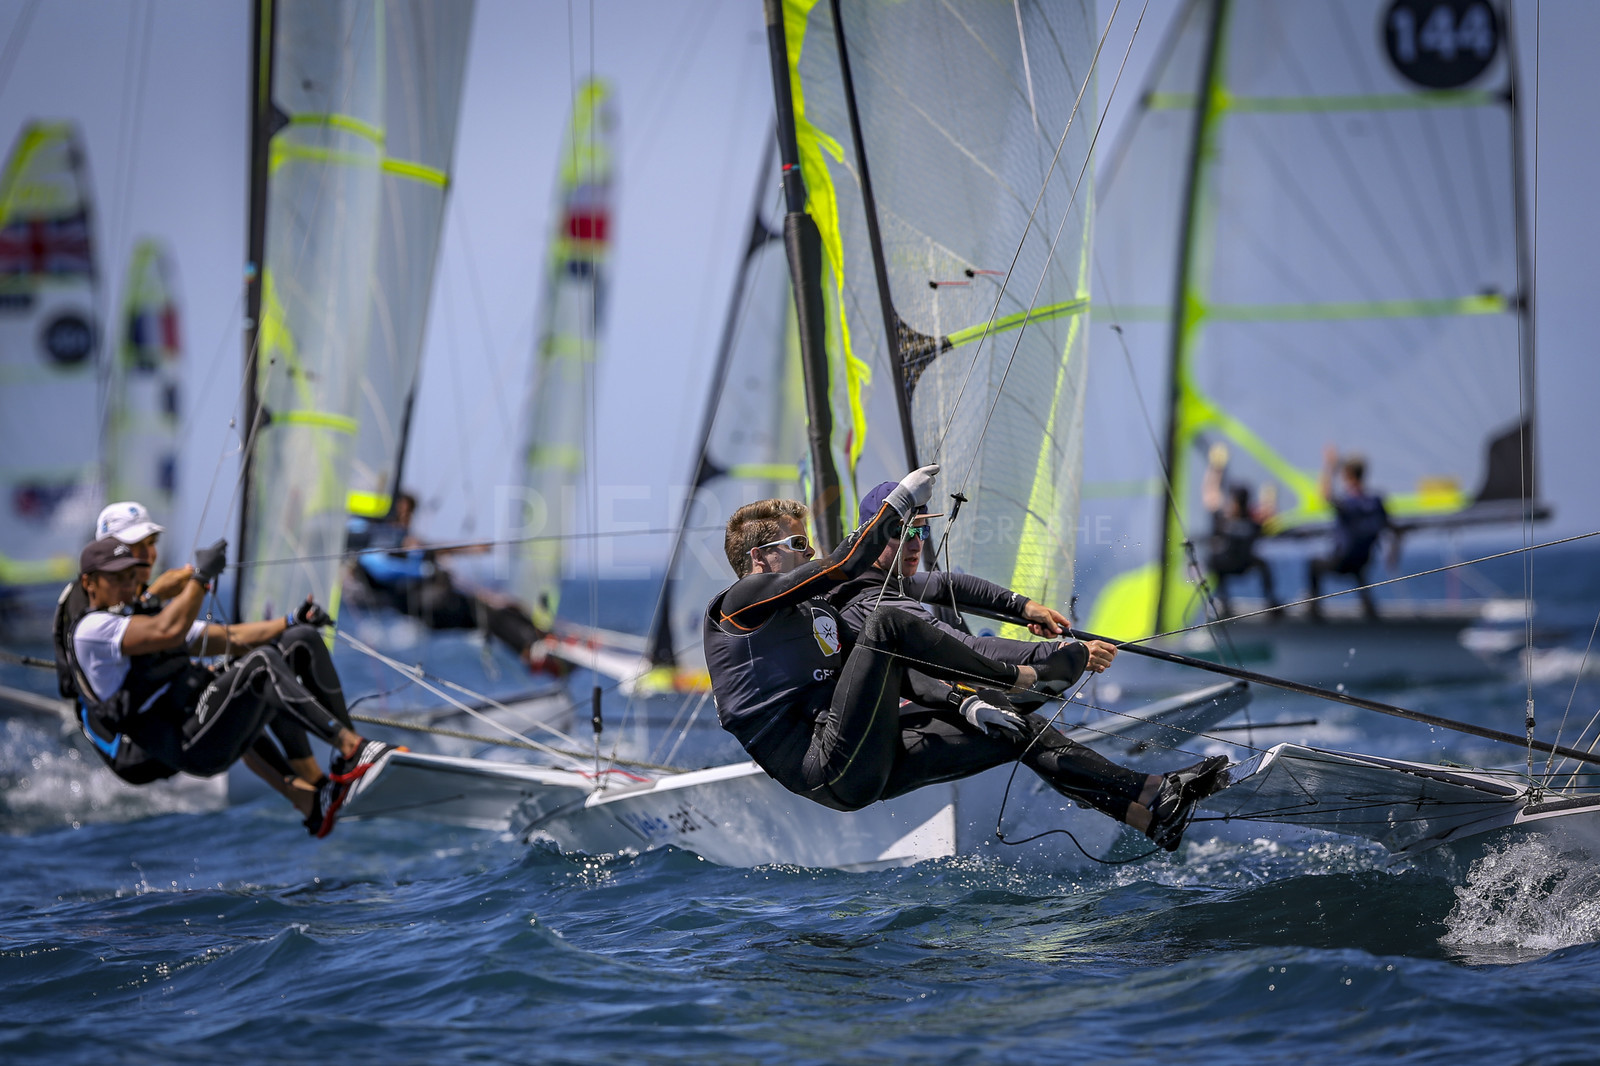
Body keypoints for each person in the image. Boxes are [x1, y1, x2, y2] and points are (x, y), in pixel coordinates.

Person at [704, 465, 1230, 852]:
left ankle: (1149, 805)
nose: (811, 553)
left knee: (1014, 724)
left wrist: (977, 687)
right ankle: (1015, 679)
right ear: (760, 559)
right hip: (826, 766)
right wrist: (900, 502)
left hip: (869, 751)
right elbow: (847, 567)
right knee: (891, 624)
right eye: (799, 543)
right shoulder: (739, 606)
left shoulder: (821, 604)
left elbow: (933, 594)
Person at [65, 535, 396, 837]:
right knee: (261, 664)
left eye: (130, 576)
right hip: (189, 744)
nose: (126, 585)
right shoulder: (93, 629)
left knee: (298, 642)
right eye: (115, 578)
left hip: (203, 720)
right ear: (89, 583)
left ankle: (333, 777)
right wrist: (201, 577)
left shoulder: (136, 620)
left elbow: (232, 638)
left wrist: (291, 620)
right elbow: (169, 630)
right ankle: (354, 748)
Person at [829, 480, 1108, 702]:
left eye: (922, 533)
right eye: (903, 534)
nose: (916, 546)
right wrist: (1058, 652)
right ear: (870, 535)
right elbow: (962, 648)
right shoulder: (870, 596)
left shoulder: (885, 575)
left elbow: (951, 584)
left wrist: (1024, 606)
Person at [346, 492, 560, 673]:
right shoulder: (373, 548)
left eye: (409, 514)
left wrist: (457, 553)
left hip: (441, 600)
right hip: (430, 607)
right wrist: (425, 562)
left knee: (507, 608)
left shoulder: (399, 541)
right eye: (403, 514)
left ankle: (543, 643)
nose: (407, 520)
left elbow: (424, 549)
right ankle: (533, 650)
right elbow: (386, 566)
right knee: (490, 614)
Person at [1307, 446, 1388, 619]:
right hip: (1364, 561)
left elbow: (1325, 496)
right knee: (1359, 571)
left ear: (1348, 474)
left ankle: (1314, 611)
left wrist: (1329, 466)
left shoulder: (1348, 501)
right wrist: (1394, 553)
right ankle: (1369, 610)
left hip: (1342, 561)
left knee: (1313, 564)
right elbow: (1390, 527)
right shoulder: (1375, 500)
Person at [1200, 443, 1278, 617]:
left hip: (1230, 565)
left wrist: (1216, 469)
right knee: (1261, 564)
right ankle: (1271, 599)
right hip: (1244, 565)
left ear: (1235, 502)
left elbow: (1210, 495)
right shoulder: (1253, 520)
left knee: (1214, 560)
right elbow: (1269, 514)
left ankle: (1225, 601)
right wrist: (1270, 495)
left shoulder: (1225, 520)